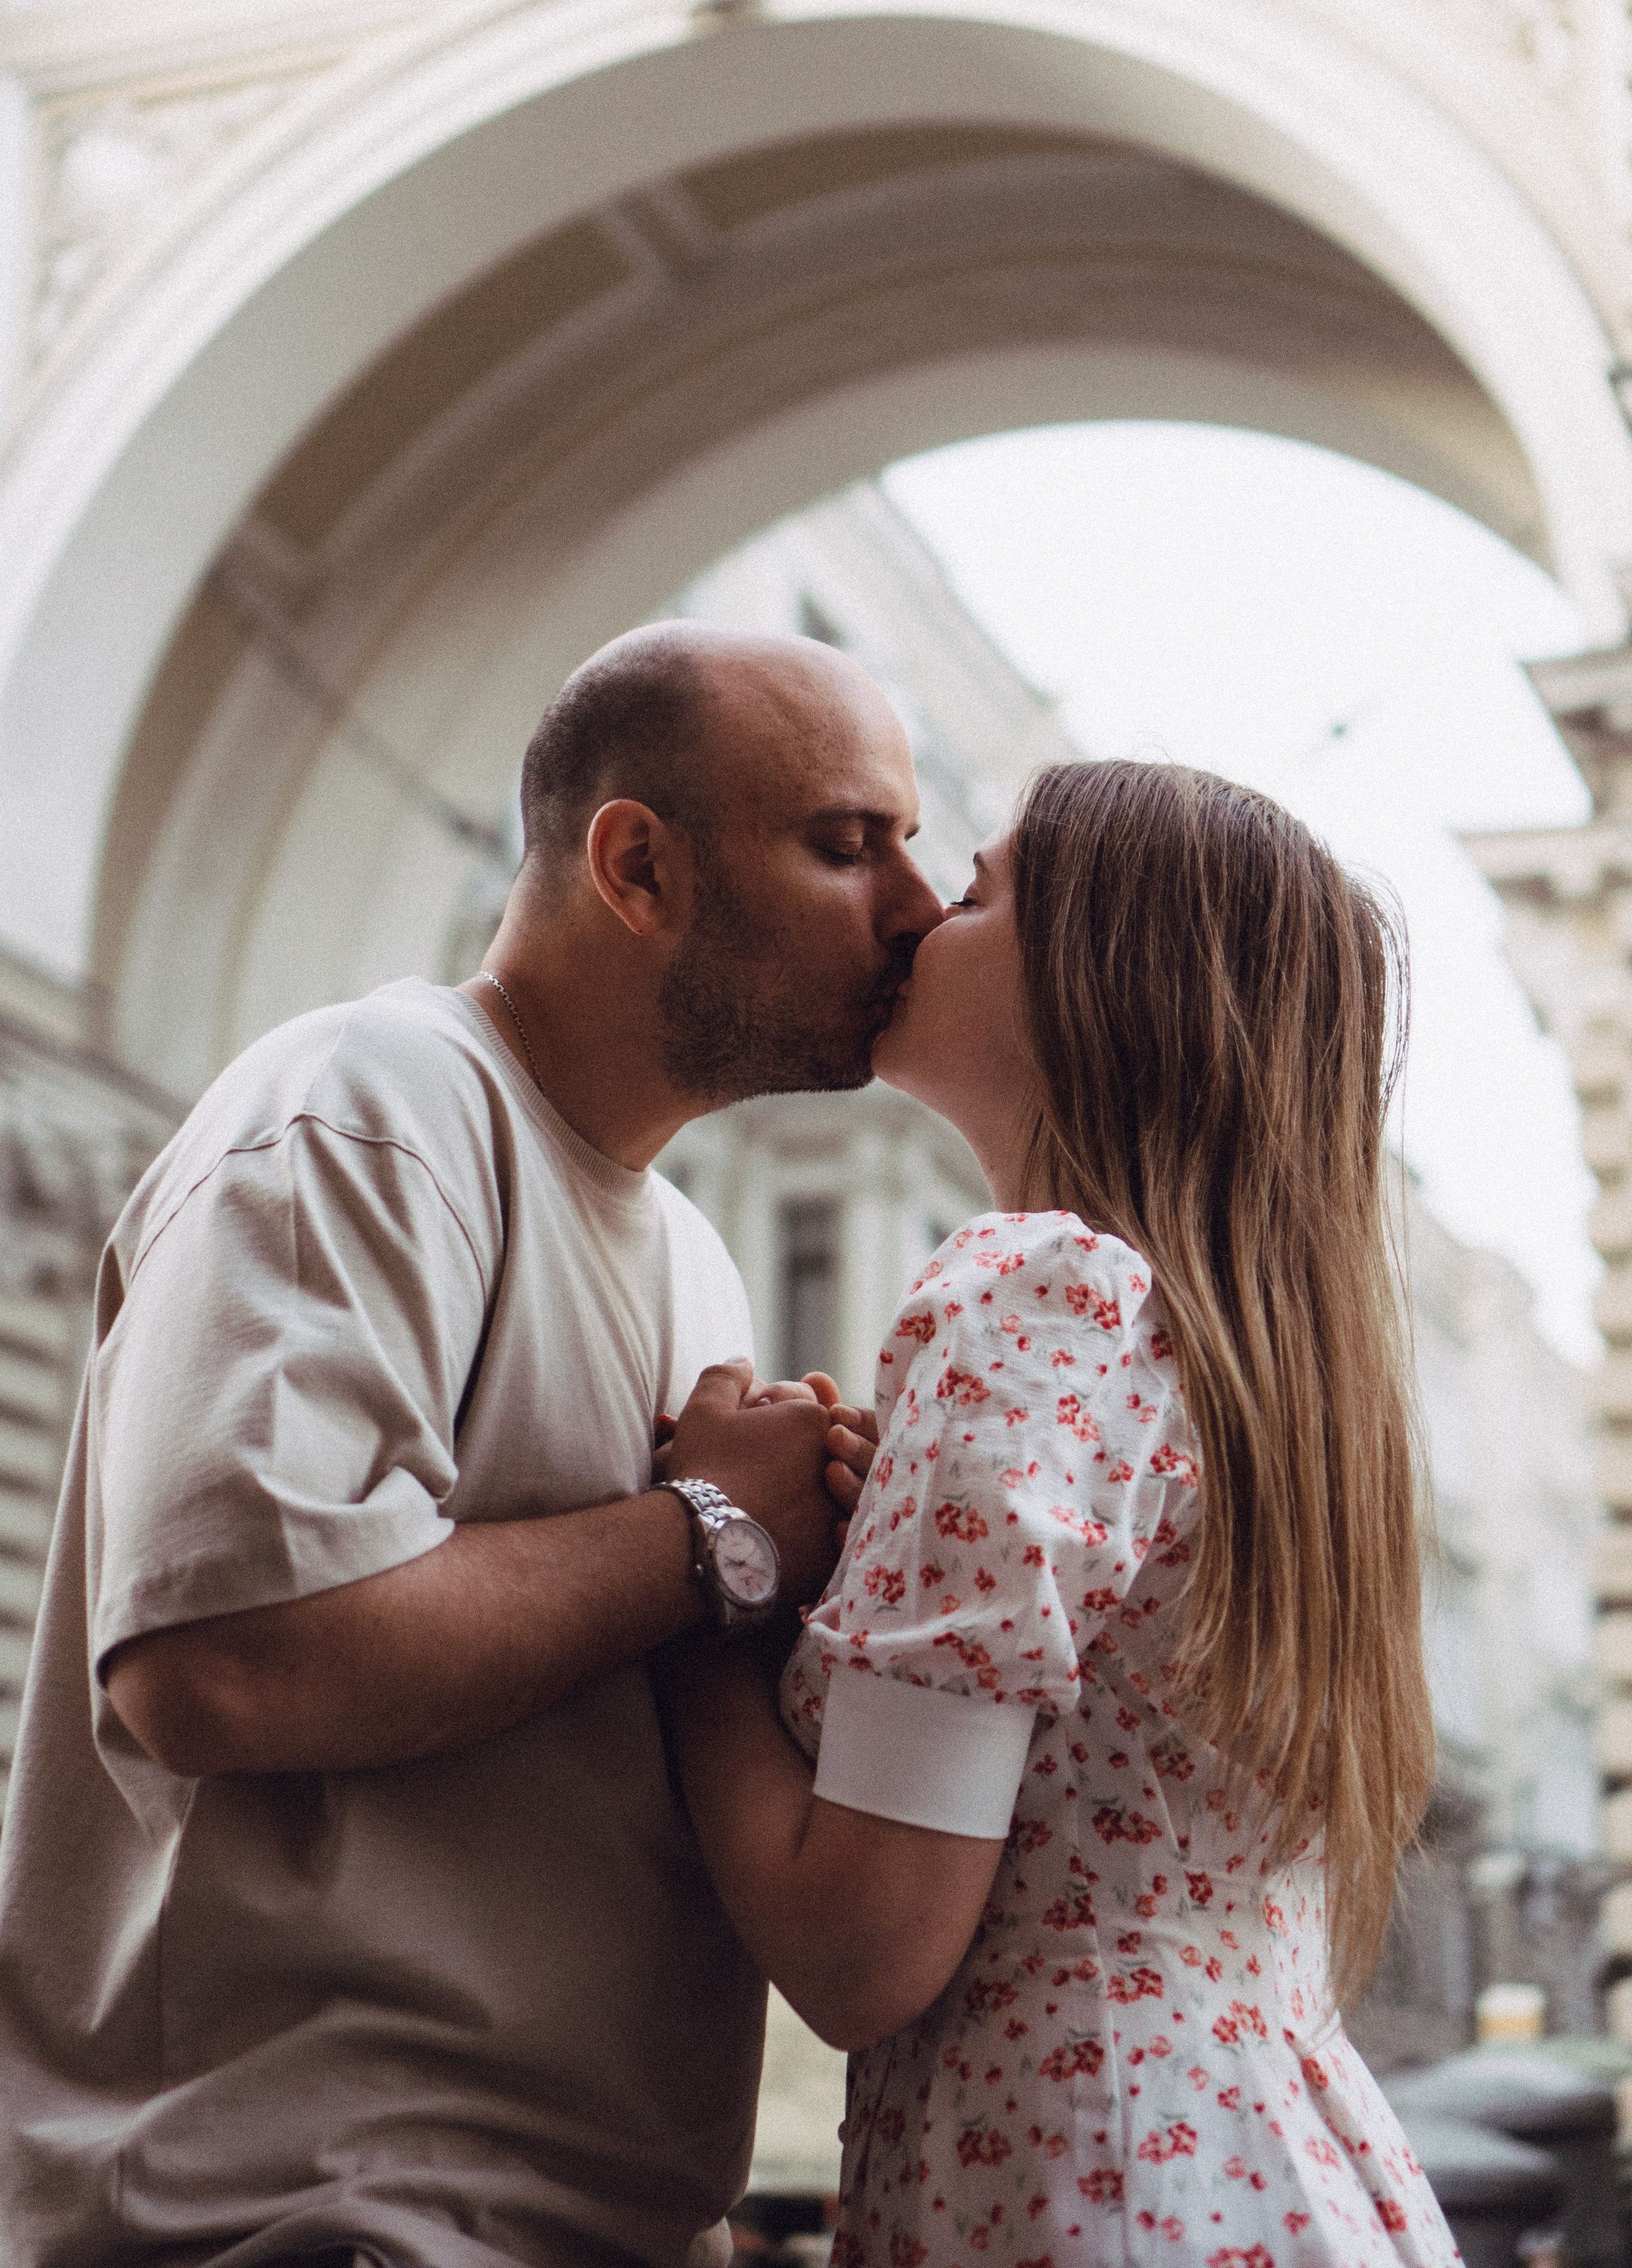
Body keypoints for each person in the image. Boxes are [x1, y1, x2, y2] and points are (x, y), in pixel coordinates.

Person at [0, 622, 944, 2268]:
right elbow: (218, 1662)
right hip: (318, 2215)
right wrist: (715, 1530)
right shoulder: (370, 1106)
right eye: (846, 845)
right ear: (638, 867)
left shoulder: (689, 1255)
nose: (916, 907)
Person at [661, 759, 1459, 2267]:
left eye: (971, 893)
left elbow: (861, 1946)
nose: (911, 912)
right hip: (1272, 2171)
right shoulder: (1242, 1372)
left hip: (1090, 2180)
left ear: (1105, 982)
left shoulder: (1033, 1292)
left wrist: (710, 1561)